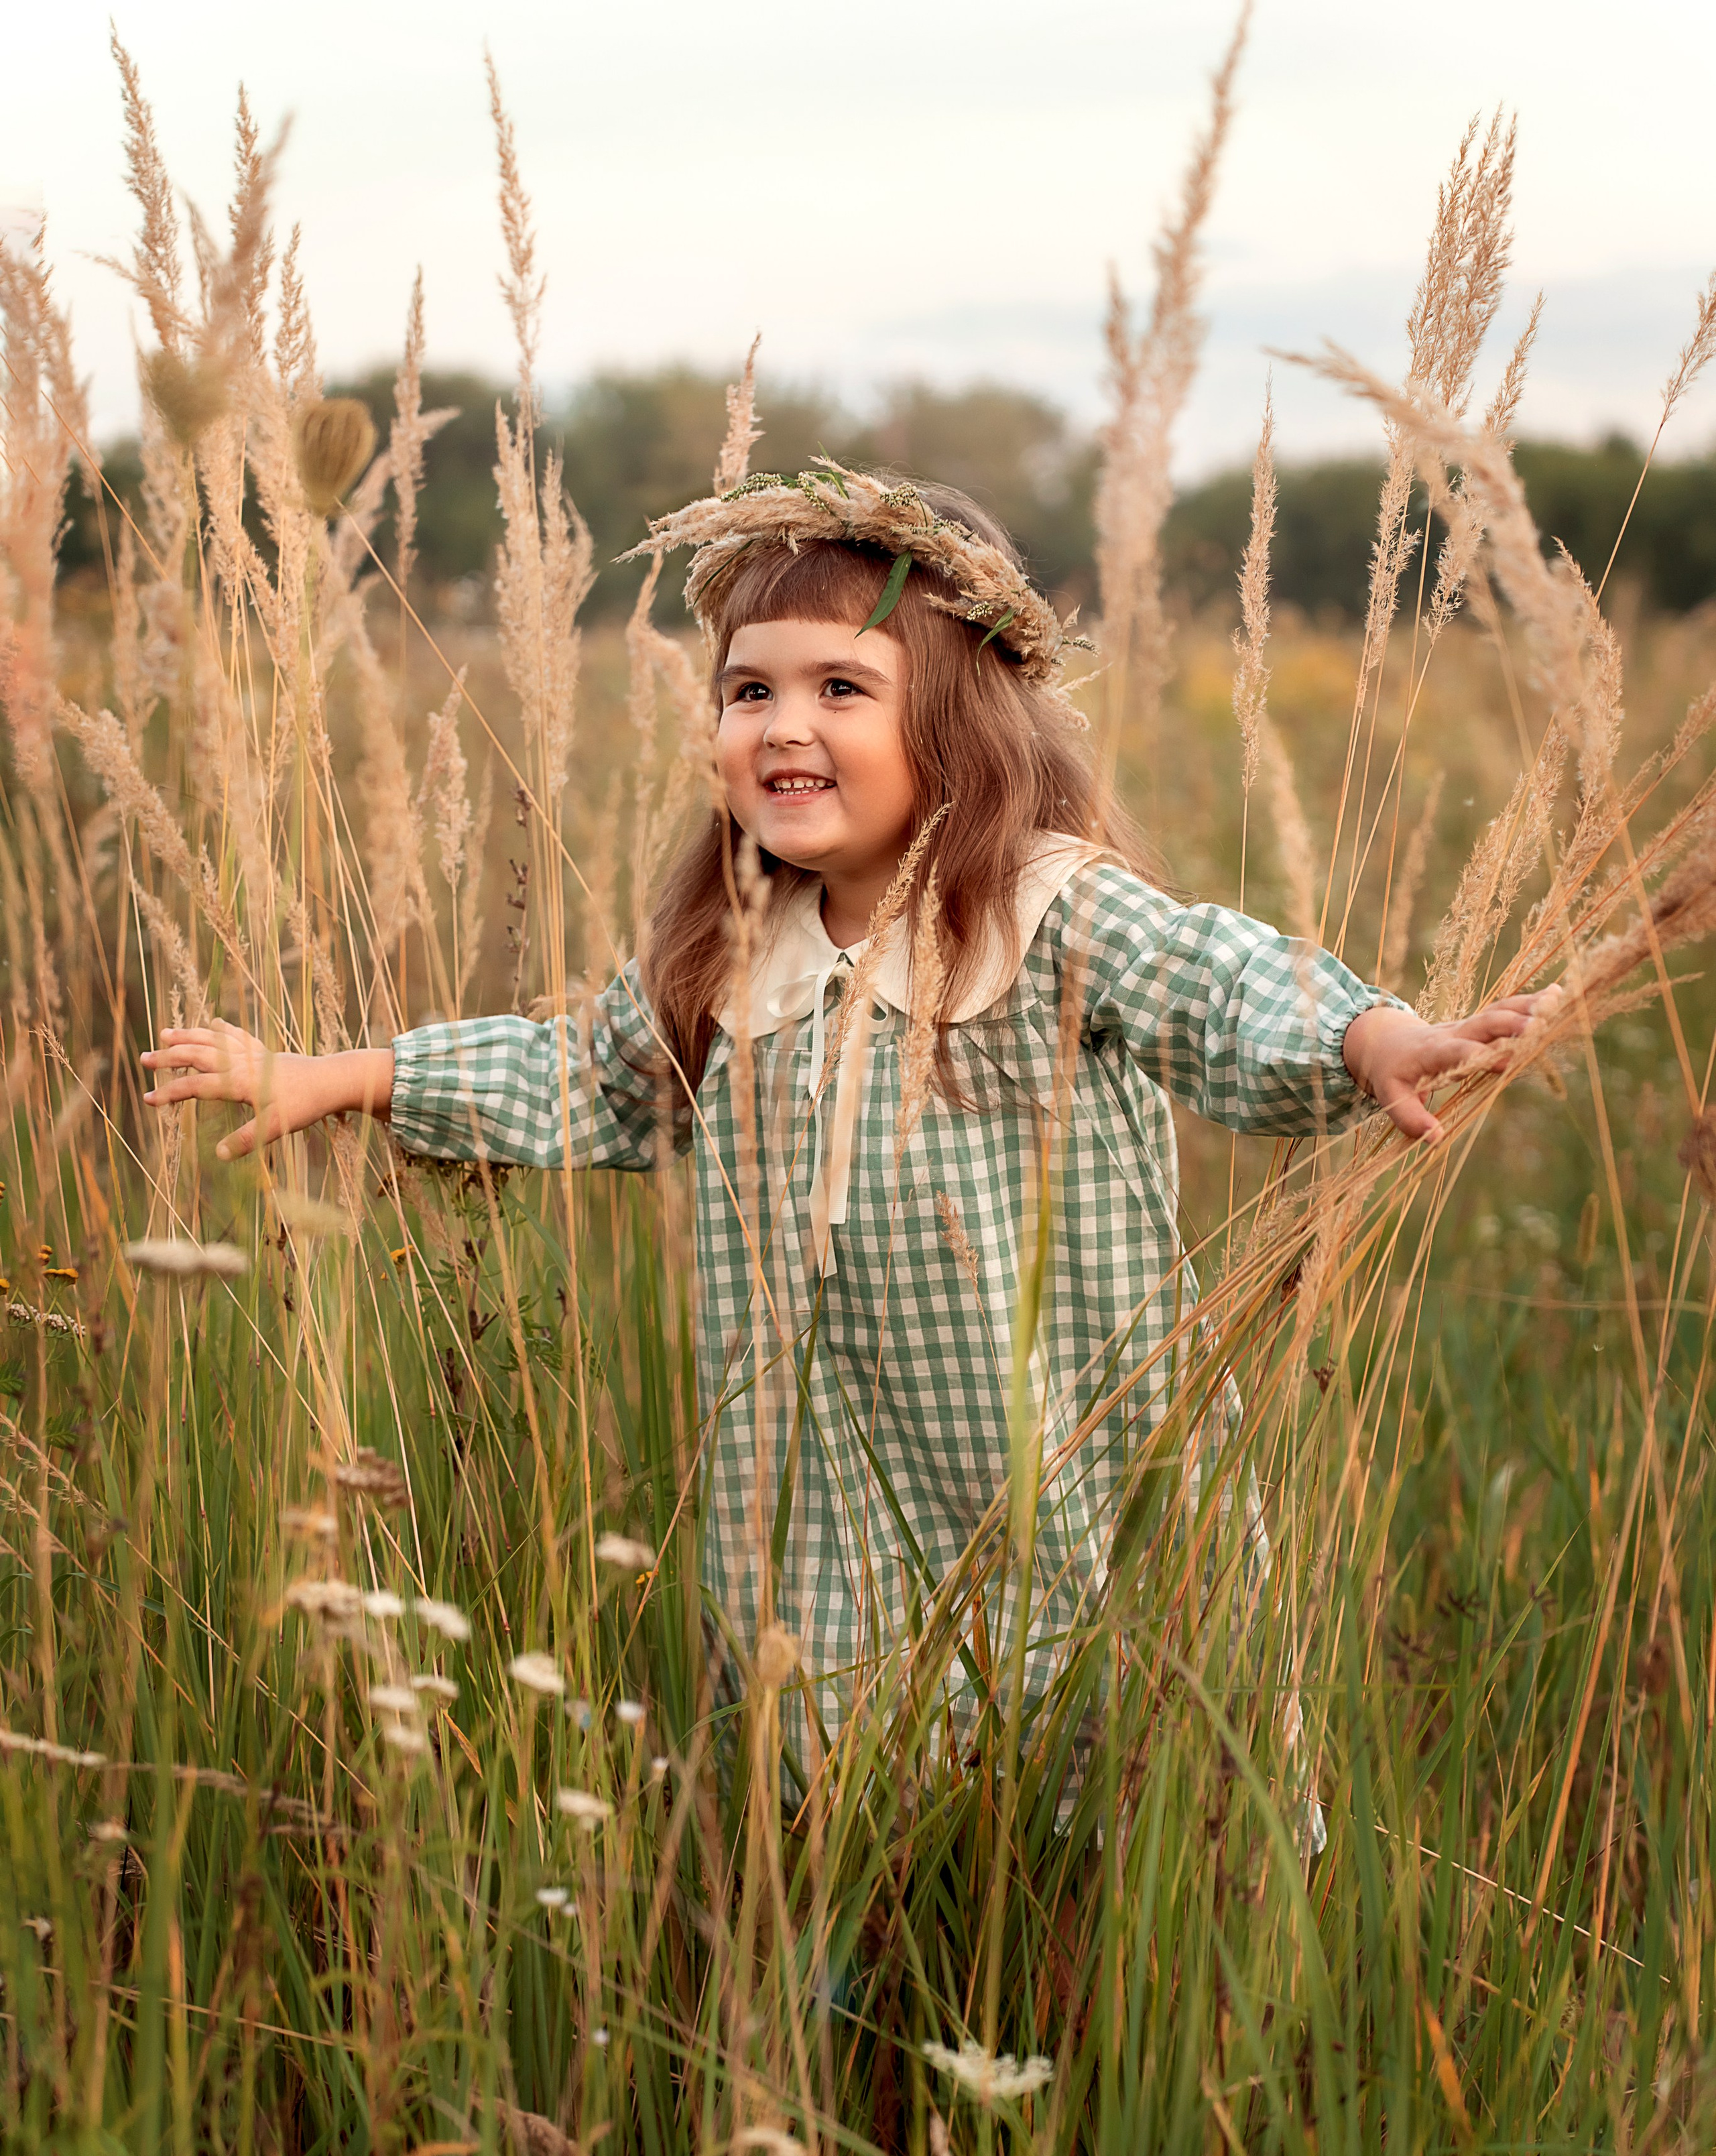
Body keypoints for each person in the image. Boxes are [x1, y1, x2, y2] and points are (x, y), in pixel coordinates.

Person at [141, 470, 1553, 1760]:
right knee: (848, 1809)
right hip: (827, 1521)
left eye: (839, 689)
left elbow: (1221, 983)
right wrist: (335, 1076)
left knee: (1099, 1790)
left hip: (1070, 1482)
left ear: (952, 724)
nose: (784, 726)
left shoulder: (1046, 913)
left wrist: (1375, 1034)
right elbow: (587, 1074)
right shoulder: (736, 958)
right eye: (747, 693)